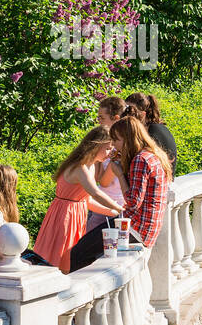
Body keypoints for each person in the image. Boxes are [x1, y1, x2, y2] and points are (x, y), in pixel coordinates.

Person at [68, 116, 172, 272]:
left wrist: (119, 174)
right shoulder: (153, 155)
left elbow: (133, 202)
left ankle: (80, 294)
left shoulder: (140, 160)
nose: (114, 146)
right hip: (147, 228)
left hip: (136, 229)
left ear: (128, 139)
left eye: (116, 140)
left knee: (79, 252)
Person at [34, 127, 124, 272]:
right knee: (58, 257)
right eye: (107, 149)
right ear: (96, 145)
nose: (109, 153)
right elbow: (95, 193)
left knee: (71, 257)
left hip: (75, 214)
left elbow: (86, 201)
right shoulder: (80, 167)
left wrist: (113, 212)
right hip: (64, 216)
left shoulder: (91, 166)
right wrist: (119, 208)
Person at [124, 91, 178, 165]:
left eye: (130, 111)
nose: (126, 116)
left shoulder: (154, 132)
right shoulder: (155, 127)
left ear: (143, 114)